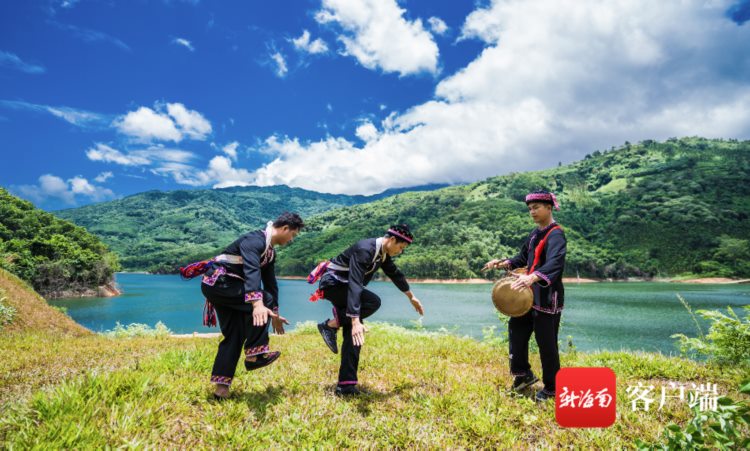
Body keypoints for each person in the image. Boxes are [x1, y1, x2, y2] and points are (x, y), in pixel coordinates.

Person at [308, 224, 424, 396]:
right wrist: (354, 319)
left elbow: (395, 274)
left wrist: (411, 297)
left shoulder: (381, 254)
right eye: (401, 247)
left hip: (345, 288)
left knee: (355, 335)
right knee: (372, 302)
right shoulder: (366, 249)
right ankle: (331, 325)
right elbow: (355, 283)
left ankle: (346, 386)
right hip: (333, 284)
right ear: (392, 240)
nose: (401, 251)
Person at [201, 212, 304, 399]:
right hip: (220, 284)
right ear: (285, 228)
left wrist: (274, 313)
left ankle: (221, 390)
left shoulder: (269, 252)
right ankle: (254, 356)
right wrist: (258, 304)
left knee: (234, 335)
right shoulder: (254, 241)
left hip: (225, 286)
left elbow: (271, 284)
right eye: (293, 235)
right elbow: (251, 271)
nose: (292, 240)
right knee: (263, 299)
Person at [483, 189, 567, 402]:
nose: (532, 212)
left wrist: (533, 277)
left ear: (549, 207)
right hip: (526, 295)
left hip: (547, 296)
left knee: (546, 342)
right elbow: (521, 257)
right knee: (517, 331)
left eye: (536, 207)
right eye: (530, 208)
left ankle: (552, 388)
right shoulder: (534, 233)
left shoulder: (556, 233)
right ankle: (523, 376)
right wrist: (501, 263)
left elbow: (555, 262)